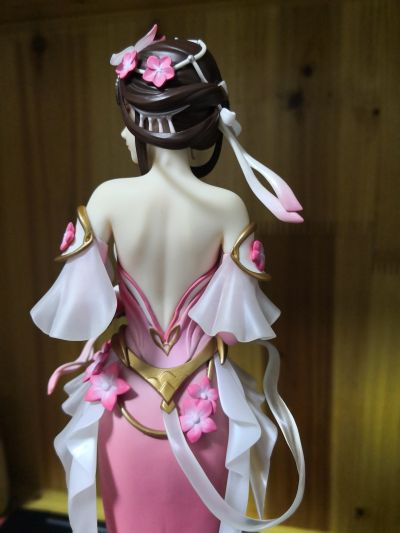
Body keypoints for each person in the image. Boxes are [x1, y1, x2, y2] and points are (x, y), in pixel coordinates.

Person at [31, 25, 305, 533]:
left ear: (142, 118)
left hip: (125, 404)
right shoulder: (227, 207)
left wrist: (121, 303)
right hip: (205, 406)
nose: (124, 132)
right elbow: (231, 330)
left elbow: (84, 312)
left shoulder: (108, 198)